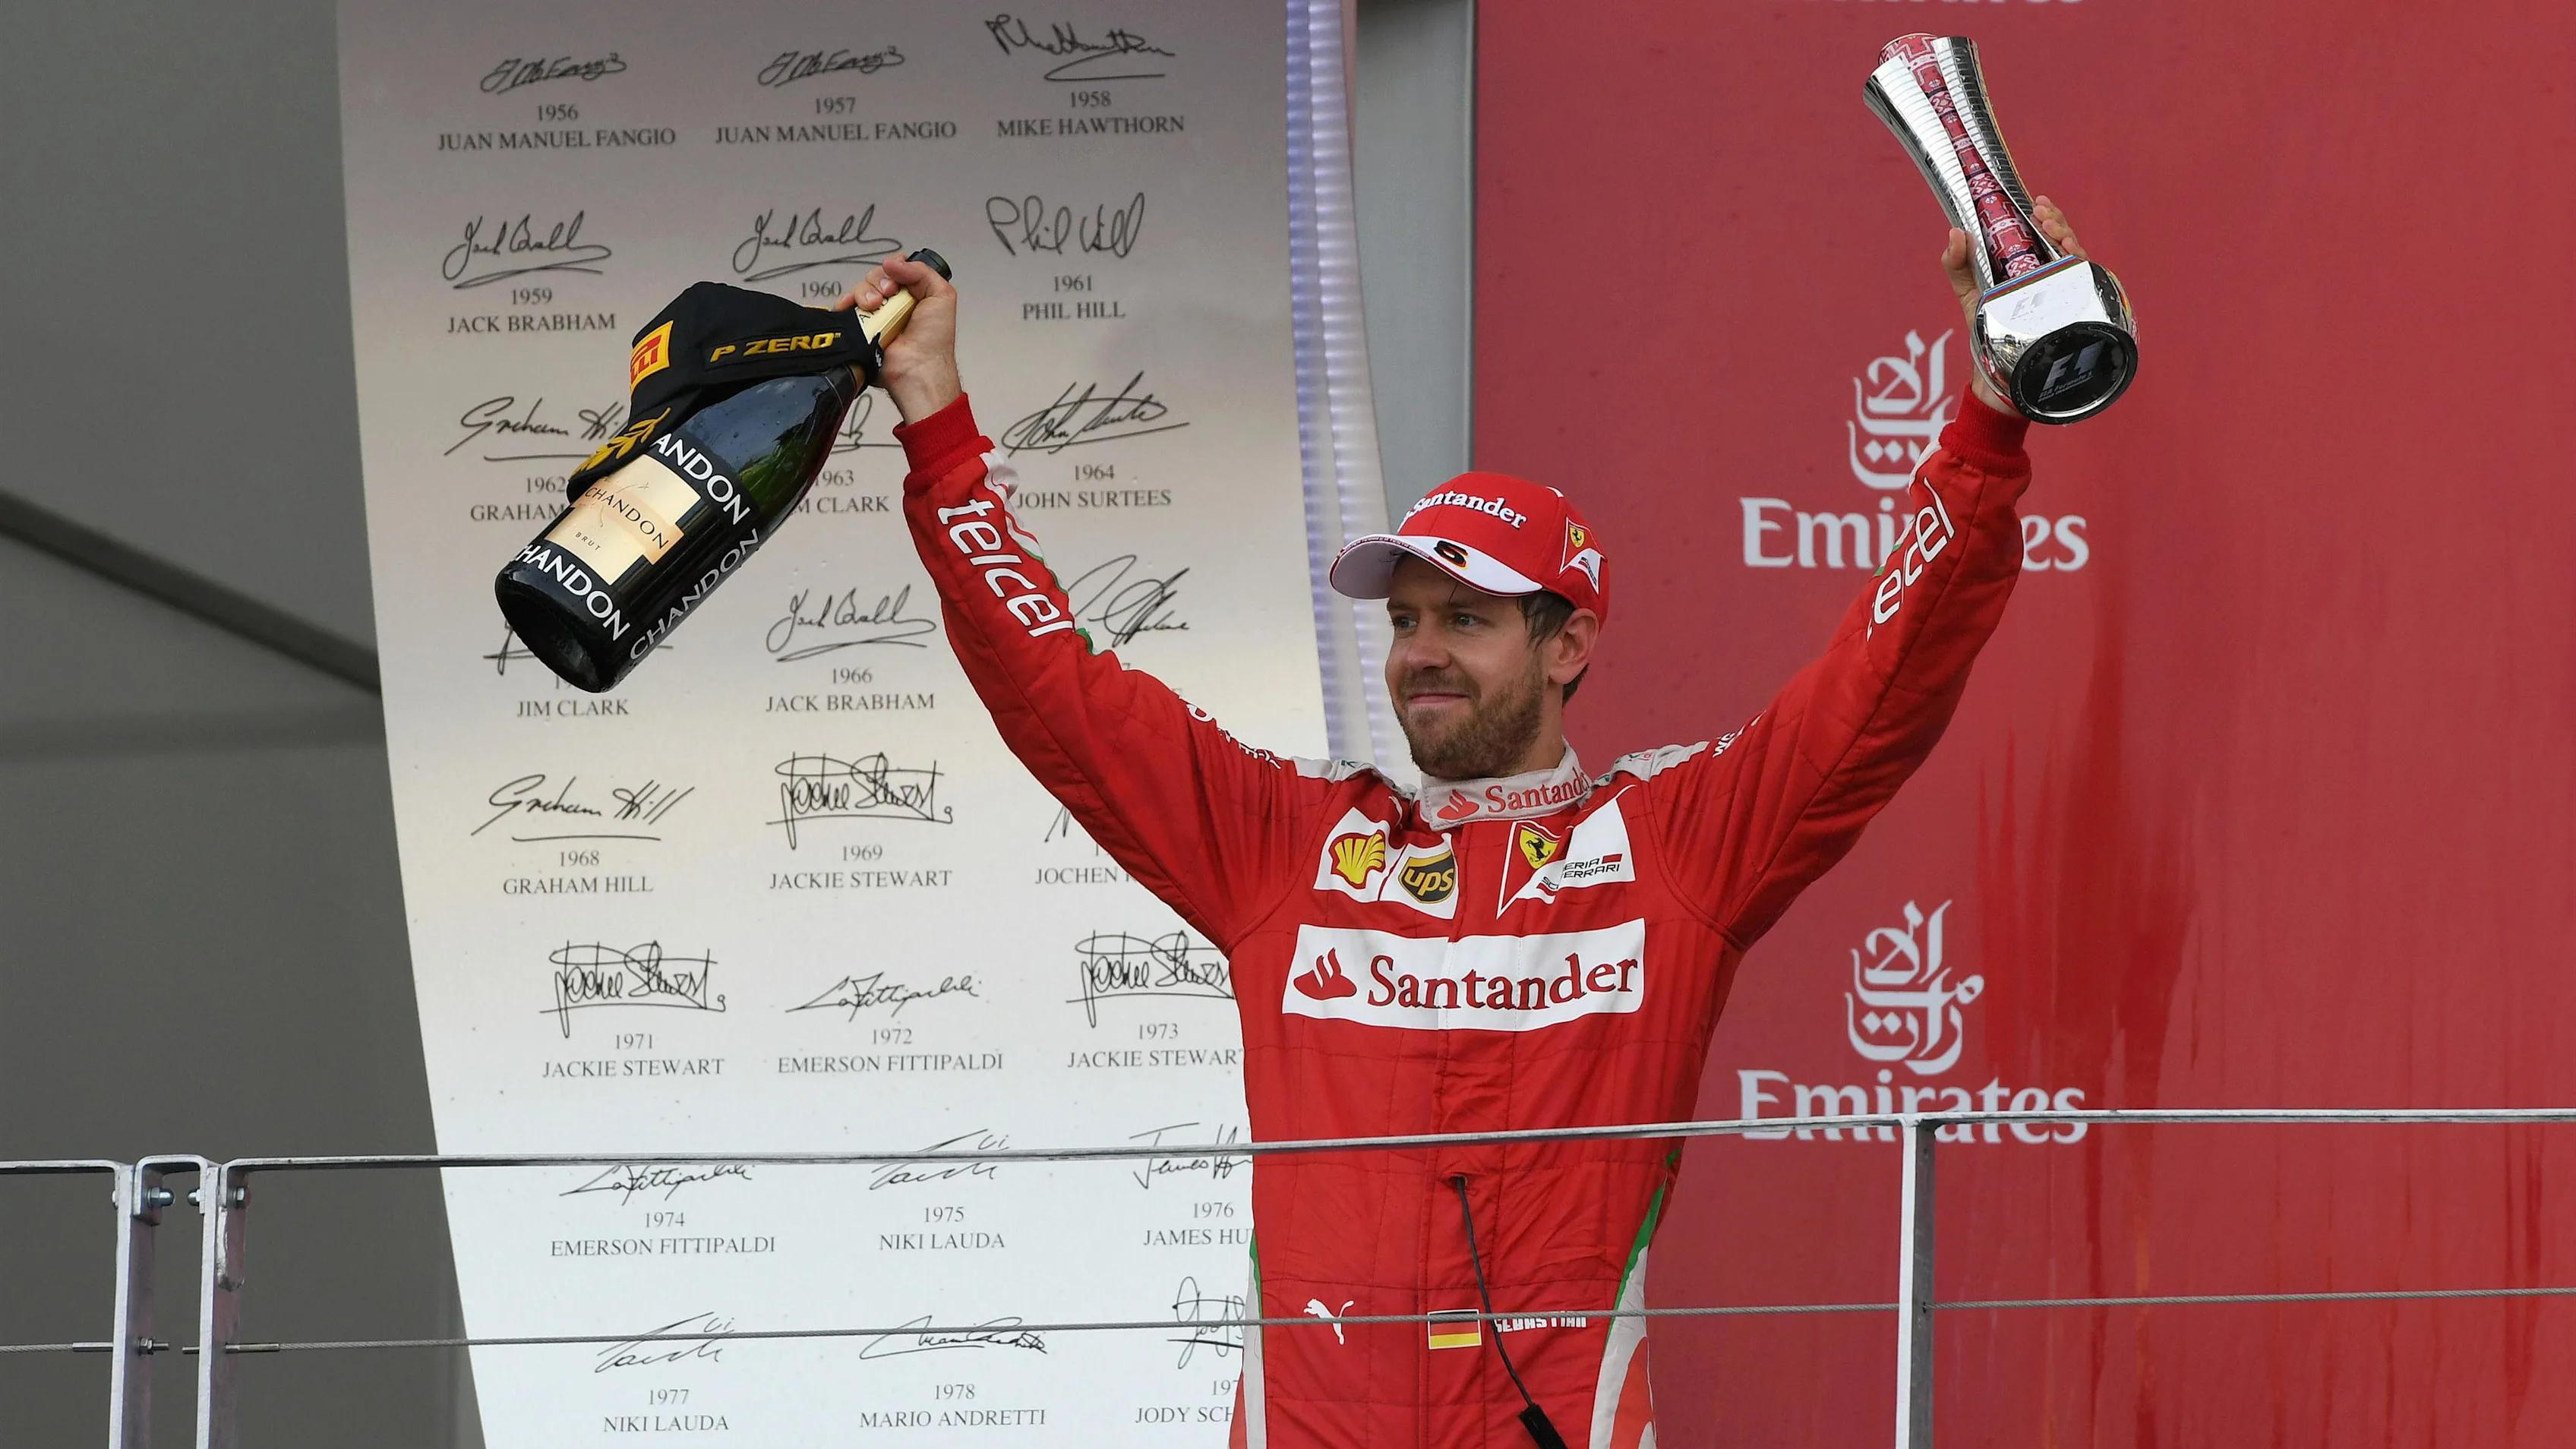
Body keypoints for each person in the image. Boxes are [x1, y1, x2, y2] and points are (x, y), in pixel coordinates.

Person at [838, 200, 2088, 1449]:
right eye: (1404, 622)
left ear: (1571, 645)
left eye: (1467, 621)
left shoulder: (1674, 846)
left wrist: (1990, 409)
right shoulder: (1290, 845)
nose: (1421, 657)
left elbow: (1884, 683)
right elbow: (1056, 688)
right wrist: (939, 422)